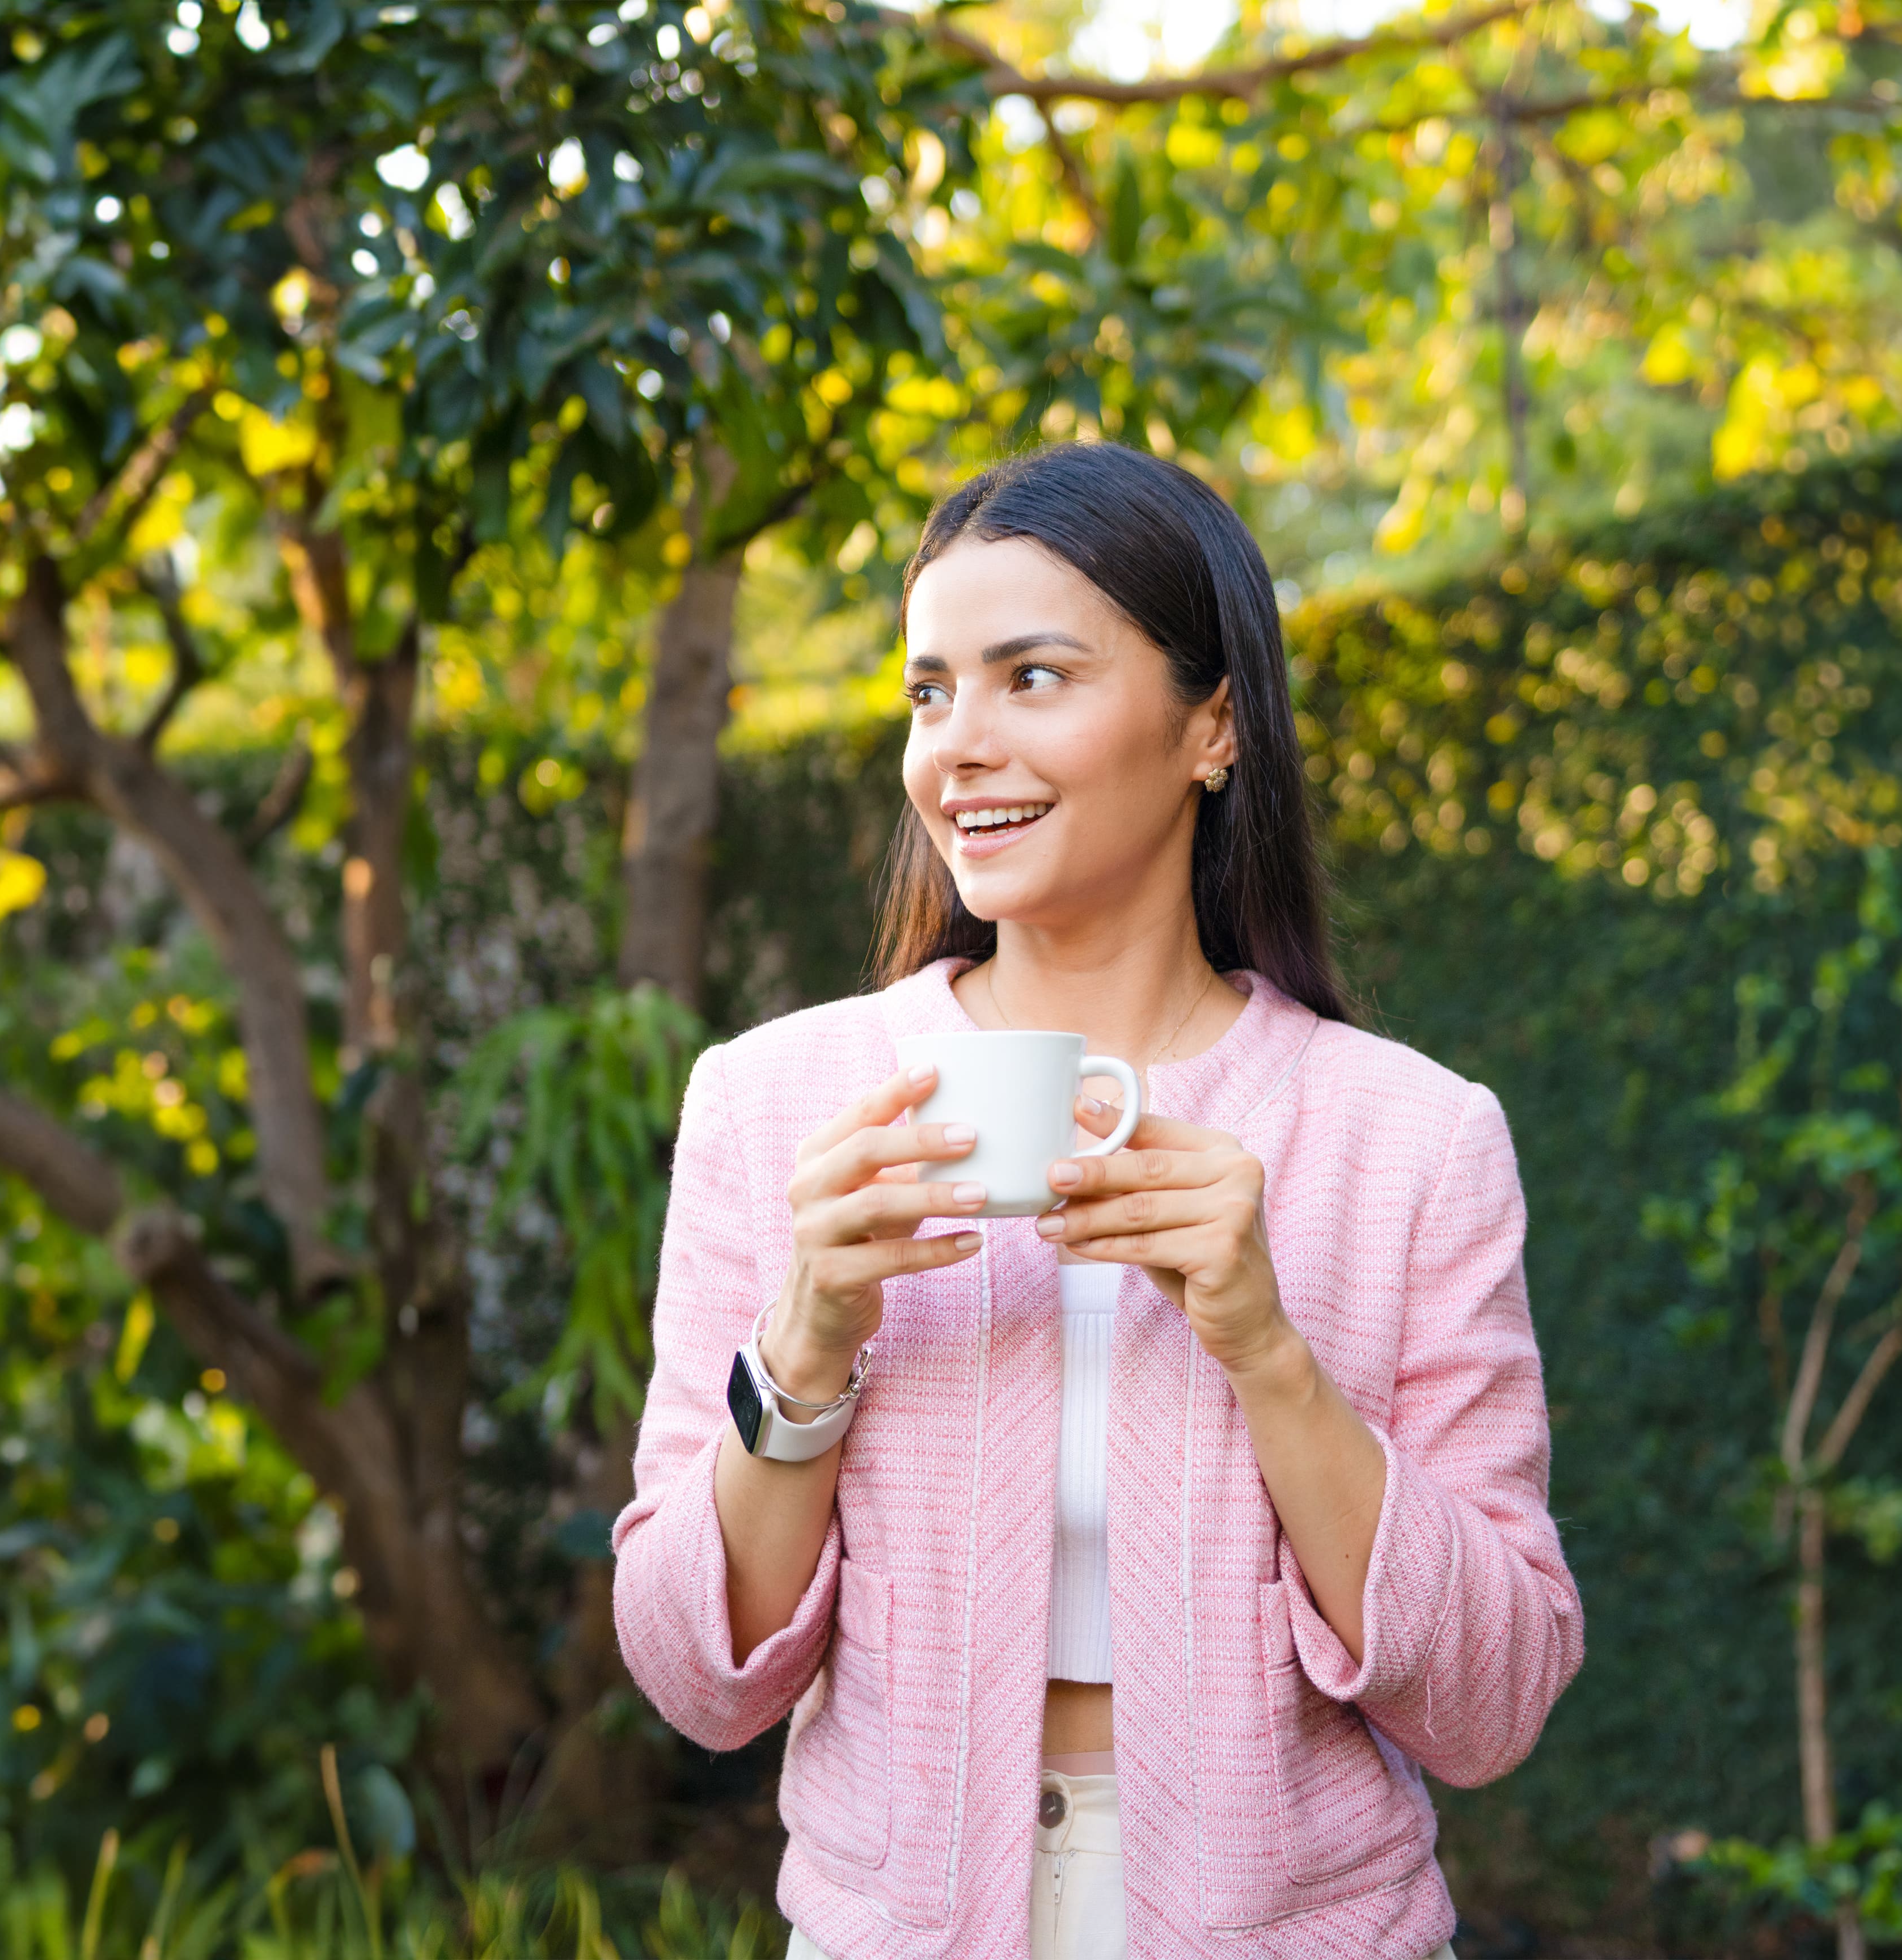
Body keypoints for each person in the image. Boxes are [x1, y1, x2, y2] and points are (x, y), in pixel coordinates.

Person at [612, 443, 1582, 1959]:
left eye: (1033, 678)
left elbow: (1498, 1695)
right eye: (930, 693)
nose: (958, 747)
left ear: (1211, 726)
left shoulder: (1412, 1140)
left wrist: (1270, 1355)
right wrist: (801, 1352)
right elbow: (691, 1674)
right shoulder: (775, 1105)